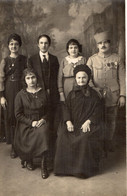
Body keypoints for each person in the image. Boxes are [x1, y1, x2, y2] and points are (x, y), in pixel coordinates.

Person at [54, 64, 103, 178]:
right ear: (76, 79)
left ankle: (81, 170)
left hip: (88, 124)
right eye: (79, 78)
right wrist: (68, 121)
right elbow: (65, 108)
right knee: (62, 135)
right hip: (73, 123)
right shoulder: (71, 94)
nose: (81, 80)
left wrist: (89, 121)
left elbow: (98, 111)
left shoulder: (94, 95)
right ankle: (64, 169)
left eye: (84, 77)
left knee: (84, 138)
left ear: (88, 78)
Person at [87, 30, 126, 152]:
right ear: (97, 45)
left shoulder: (117, 58)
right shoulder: (92, 60)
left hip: (113, 96)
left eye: (105, 42)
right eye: (100, 43)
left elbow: (123, 78)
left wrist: (122, 95)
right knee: (97, 120)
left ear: (110, 44)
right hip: (96, 97)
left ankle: (108, 142)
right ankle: (99, 144)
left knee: (111, 120)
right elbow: (87, 78)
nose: (103, 45)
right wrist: (94, 90)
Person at [28, 34, 60, 165]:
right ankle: (37, 153)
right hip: (38, 95)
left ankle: (50, 154)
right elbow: (29, 77)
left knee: (52, 122)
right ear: (38, 44)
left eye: (46, 43)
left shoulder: (54, 59)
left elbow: (57, 78)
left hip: (52, 96)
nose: (43, 45)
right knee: (40, 123)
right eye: (41, 43)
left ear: (49, 45)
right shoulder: (32, 59)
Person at [14, 68, 49, 179]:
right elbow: (18, 114)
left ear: (36, 78)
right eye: (28, 78)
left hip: (42, 121)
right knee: (28, 136)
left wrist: (43, 119)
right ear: (25, 80)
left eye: (33, 77)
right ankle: (29, 159)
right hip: (26, 124)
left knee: (43, 132)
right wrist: (31, 122)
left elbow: (50, 110)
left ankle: (44, 164)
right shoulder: (20, 95)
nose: (31, 80)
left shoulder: (43, 92)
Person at [0, 33, 27, 158]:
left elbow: (28, 75)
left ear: (19, 45)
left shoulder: (24, 60)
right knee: (11, 116)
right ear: (8, 46)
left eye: (16, 44)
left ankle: (24, 144)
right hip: (9, 91)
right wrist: (2, 96)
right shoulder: (4, 61)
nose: (14, 46)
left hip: (21, 90)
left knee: (22, 115)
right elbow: (0, 79)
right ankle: (13, 147)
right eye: (11, 44)